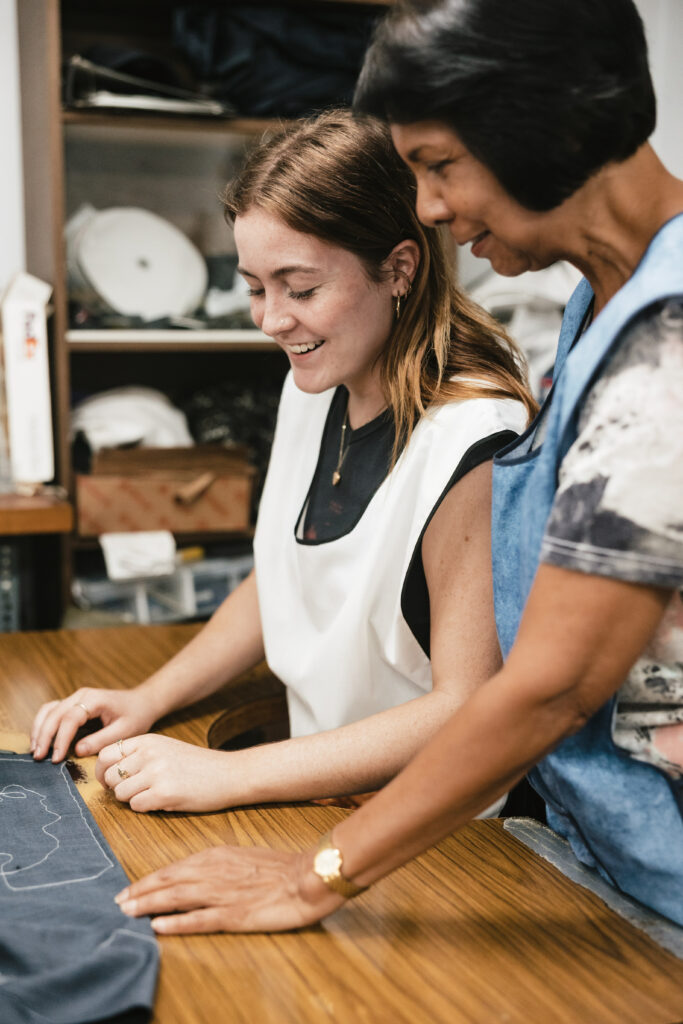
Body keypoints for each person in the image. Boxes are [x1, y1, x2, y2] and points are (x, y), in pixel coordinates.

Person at [108, 0, 683, 936]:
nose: (427, 208)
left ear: (539, 121)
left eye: (440, 165)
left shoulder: (668, 334)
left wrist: (312, 879)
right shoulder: (598, 302)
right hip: (592, 847)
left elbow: (547, 685)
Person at [31, 110, 532, 817]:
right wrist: (149, 697)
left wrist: (228, 774)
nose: (270, 320)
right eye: (255, 287)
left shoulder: (474, 438)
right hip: (322, 793)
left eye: (300, 289)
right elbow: (284, 579)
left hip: (434, 827)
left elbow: (465, 705)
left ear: (398, 269)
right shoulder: (317, 379)